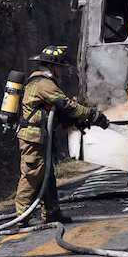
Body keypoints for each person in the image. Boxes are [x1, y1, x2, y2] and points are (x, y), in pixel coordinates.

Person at [16, 45, 109, 225]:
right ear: (51, 66)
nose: (62, 71)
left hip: (41, 137)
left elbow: (58, 112)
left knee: (47, 174)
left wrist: (76, 122)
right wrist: (93, 115)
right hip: (32, 138)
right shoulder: (43, 83)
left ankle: (52, 213)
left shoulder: (45, 82)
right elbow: (67, 105)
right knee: (32, 174)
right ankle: (21, 217)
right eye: (60, 67)